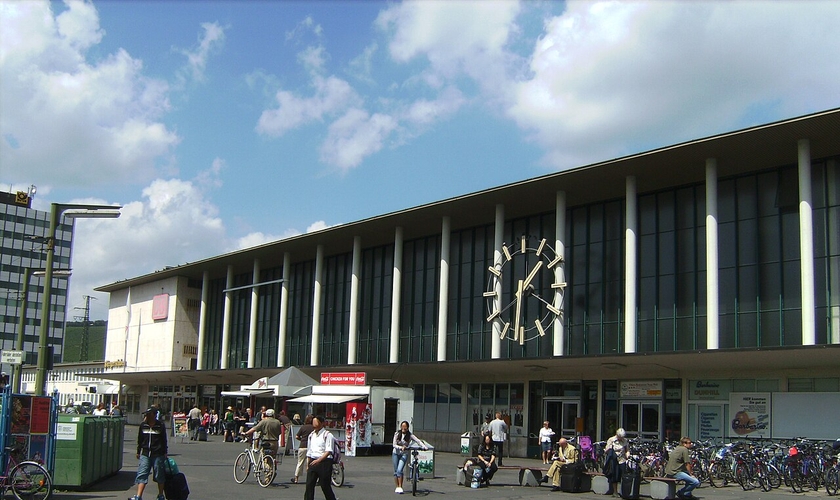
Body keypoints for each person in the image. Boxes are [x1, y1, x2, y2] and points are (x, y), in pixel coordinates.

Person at [129, 407, 168, 500]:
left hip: (157, 453)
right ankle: (138, 496)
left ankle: (160, 495)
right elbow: (140, 439)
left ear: (154, 415)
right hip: (145, 453)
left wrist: (165, 452)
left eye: (148, 414)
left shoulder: (160, 425)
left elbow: (163, 440)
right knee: (142, 473)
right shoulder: (143, 425)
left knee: (159, 475)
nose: (146, 416)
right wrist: (138, 451)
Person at [304, 415, 337, 500]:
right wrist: (308, 464)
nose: (314, 423)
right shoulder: (311, 435)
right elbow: (309, 451)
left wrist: (319, 460)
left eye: (316, 421)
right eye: (313, 421)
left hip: (324, 462)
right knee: (309, 486)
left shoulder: (327, 435)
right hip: (313, 460)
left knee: (325, 486)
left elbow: (329, 450)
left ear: (322, 423)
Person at [392, 420, 427, 494]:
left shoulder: (410, 435)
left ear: (408, 428)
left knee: (399, 470)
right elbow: (394, 445)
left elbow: (418, 441)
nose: (403, 428)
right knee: (396, 471)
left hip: (404, 454)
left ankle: (400, 486)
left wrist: (424, 446)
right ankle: (397, 486)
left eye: (405, 426)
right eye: (402, 426)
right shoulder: (397, 434)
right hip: (395, 453)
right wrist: (400, 447)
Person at [604, 428, 630, 496]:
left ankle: (623, 491)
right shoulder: (611, 440)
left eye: (622, 437)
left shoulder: (625, 441)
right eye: (620, 437)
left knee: (623, 475)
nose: (621, 438)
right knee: (614, 476)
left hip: (622, 460)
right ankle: (615, 492)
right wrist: (609, 449)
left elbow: (627, 450)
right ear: (617, 435)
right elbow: (606, 450)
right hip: (614, 460)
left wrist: (628, 455)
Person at [293, 414, 315, 484]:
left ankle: (296, 478)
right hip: (311, 447)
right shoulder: (314, 428)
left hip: (302, 446)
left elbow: (297, 436)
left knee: (300, 463)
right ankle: (310, 478)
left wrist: (301, 439)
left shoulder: (303, 427)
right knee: (310, 463)